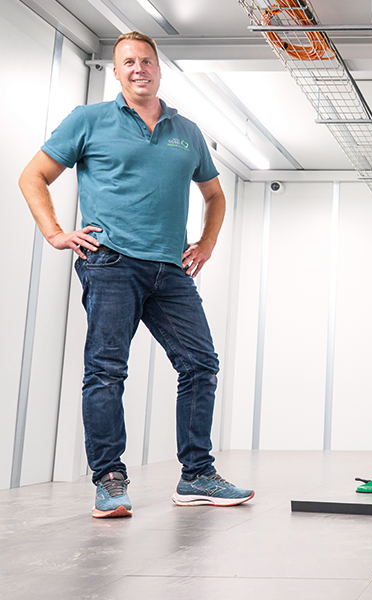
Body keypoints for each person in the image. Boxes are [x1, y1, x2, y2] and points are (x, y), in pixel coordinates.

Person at [19, 31, 254, 518]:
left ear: (159, 69)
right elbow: (32, 175)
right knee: (106, 371)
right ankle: (108, 478)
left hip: (170, 268)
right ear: (116, 71)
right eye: (128, 62)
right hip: (111, 262)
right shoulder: (90, 120)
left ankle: (196, 475)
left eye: (146, 61)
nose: (138, 68)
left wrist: (207, 242)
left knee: (200, 363)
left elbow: (215, 194)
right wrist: (56, 232)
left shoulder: (185, 130)